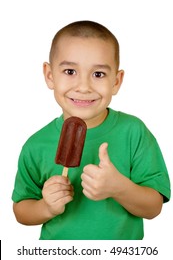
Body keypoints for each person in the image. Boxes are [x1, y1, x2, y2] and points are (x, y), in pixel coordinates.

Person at [12, 20, 171, 240]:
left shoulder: (134, 132)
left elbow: (153, 208)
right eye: (70, 71)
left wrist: (119, 188)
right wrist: (46, 207)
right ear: (49, 76)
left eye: (98, 74)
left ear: (116, 81)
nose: (84, 86)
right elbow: (21, 210)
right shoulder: (36, 145)